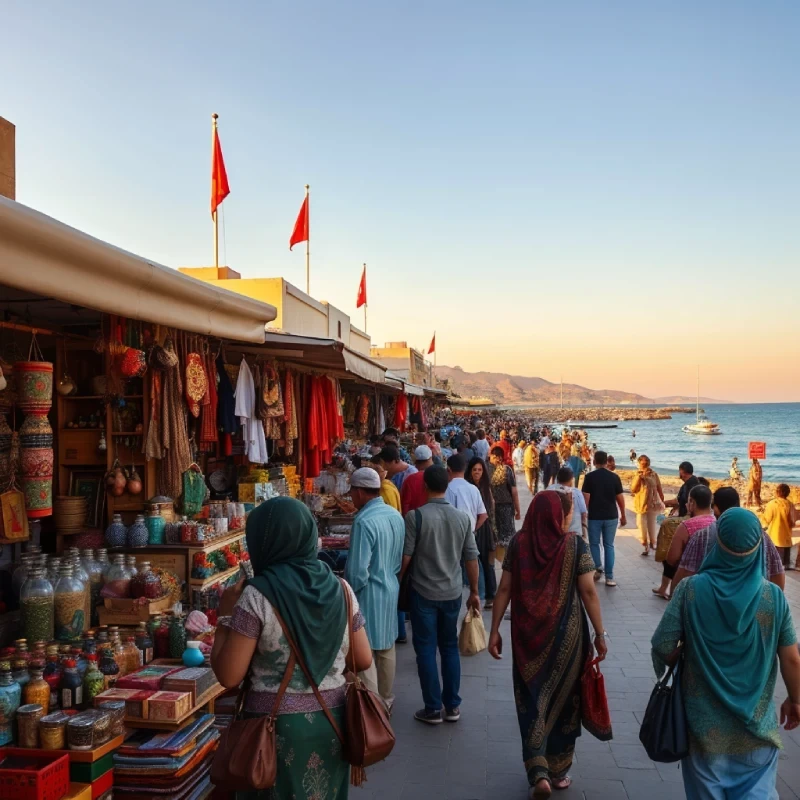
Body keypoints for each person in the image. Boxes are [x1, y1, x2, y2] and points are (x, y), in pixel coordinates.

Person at [211, 497, 373, 799]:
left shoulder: (256, 596)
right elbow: (362, 658)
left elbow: (229, 677)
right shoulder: (342, 589)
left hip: (272, 731)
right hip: (333, 726)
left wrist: (225, 615)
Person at [651, 508, 800, 800]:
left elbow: (662, 645)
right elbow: (792, 658)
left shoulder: (690, 590)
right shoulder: (774, 597)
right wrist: (796, 700)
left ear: (716, 543)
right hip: (757, 728)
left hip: (702, 730)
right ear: (758, 546)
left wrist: (687, 652)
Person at [488, 491, 607, 797]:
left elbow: (504, 588)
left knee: (531, 699)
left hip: (527, 638)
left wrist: (494, 630)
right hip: (568, 635)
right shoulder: (575, 545)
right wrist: (600, 633)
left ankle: (538, 772)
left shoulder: (517, 543)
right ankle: (559, 771)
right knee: (567, 699)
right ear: (557, 515)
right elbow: (589, 592)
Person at [401, 466, 481, 725]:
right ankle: (453, 706)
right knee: (449, 648)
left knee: (425, 649)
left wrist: (398, 580)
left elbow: (406, 557)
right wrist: (476, 592)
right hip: (452, 592)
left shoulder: (416, 517)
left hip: (423, 592)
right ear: (446, 486)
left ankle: (432, 708)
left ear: (425, 487)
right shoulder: (461, 518)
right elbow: (471, 559)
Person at [345, 468, 405, 712]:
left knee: (365, 647)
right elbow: (399, 559)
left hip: (369, 591)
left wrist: (348, 592)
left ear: (359, 492)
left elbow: (357, 572)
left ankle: (371, 704)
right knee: (386, 645)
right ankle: (386, 699)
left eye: (351, 492)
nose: (350, 497)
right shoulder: (394, 516)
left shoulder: (363, 521)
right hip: (390, 586)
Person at [672, 487, 785, 592]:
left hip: (709, 603)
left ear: (716, 508)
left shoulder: (702, 536)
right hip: (752, 602)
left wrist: (677, 600)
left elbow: (685, 572)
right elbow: (777, 573)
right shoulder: (762, 537)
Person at [653, 484, 716, 599]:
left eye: (689, 501)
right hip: (711, 583)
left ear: (692, 502)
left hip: (687, 582)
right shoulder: (717, 523)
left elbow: (672, 559)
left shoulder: (686, 526)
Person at [581, 451, 626, 587]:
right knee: (609, 545)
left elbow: (586, 499)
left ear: (594, 462)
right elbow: (620, 498)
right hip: (611, 515)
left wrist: (584, 514)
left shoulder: (589, 477)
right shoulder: (614, 477)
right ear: (607, 462)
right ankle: (610, 577)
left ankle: (598, 568)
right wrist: (623, 514)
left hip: (595, 516)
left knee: (594, 544)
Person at [466, 456, 497, 608]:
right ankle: (479, 593)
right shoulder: (468, 487)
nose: (477, 473)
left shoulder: (486, 488)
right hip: (473, 527)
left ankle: (491, 595)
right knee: (474, 562)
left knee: (487, 563)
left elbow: (490, 510)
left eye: (480, 470)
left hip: (484, 529)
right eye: (474, 470)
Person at [488, 446, 521, 564]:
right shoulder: (507, 470)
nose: (490, 458)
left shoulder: (487, 470)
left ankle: (498, 560)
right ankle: (510, 562)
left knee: (496, 536)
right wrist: (518, 510)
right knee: (509, 536)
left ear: (497, 457)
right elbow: (514, 492)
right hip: (506, 507)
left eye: (491, 456)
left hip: (492, 509)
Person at [630, 455, 665, 556]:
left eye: (645, 463)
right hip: (641, 504)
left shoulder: (654, 474)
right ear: (639, 463)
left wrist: (662, 500)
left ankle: (652, 544)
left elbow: (659, 487)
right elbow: (633, 489)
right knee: (641, 525)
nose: (644, 465)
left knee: (651, 524)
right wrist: (639, 477)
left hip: (652, 503)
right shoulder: (637, 475)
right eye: (642, 463)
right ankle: (645, 544)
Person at [546, 466, 588, 540]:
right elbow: (583, 513)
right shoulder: (577, 493)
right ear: (571, 480)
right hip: (573, 534)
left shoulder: (549, 490)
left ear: (557, 479)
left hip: (552, 533)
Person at [764, 484, 798, 568]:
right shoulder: (790, 505)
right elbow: (793, 521)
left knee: (775, 563)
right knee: (784, 564)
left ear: (777, 492)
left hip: (775, 538)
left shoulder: (772, 504)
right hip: (786, 539)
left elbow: (766, 520)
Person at [400, 446, 434, 516]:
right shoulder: (439, 476)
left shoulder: (410, 479)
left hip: (414, 520)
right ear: (430, 459)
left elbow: (404, 504)